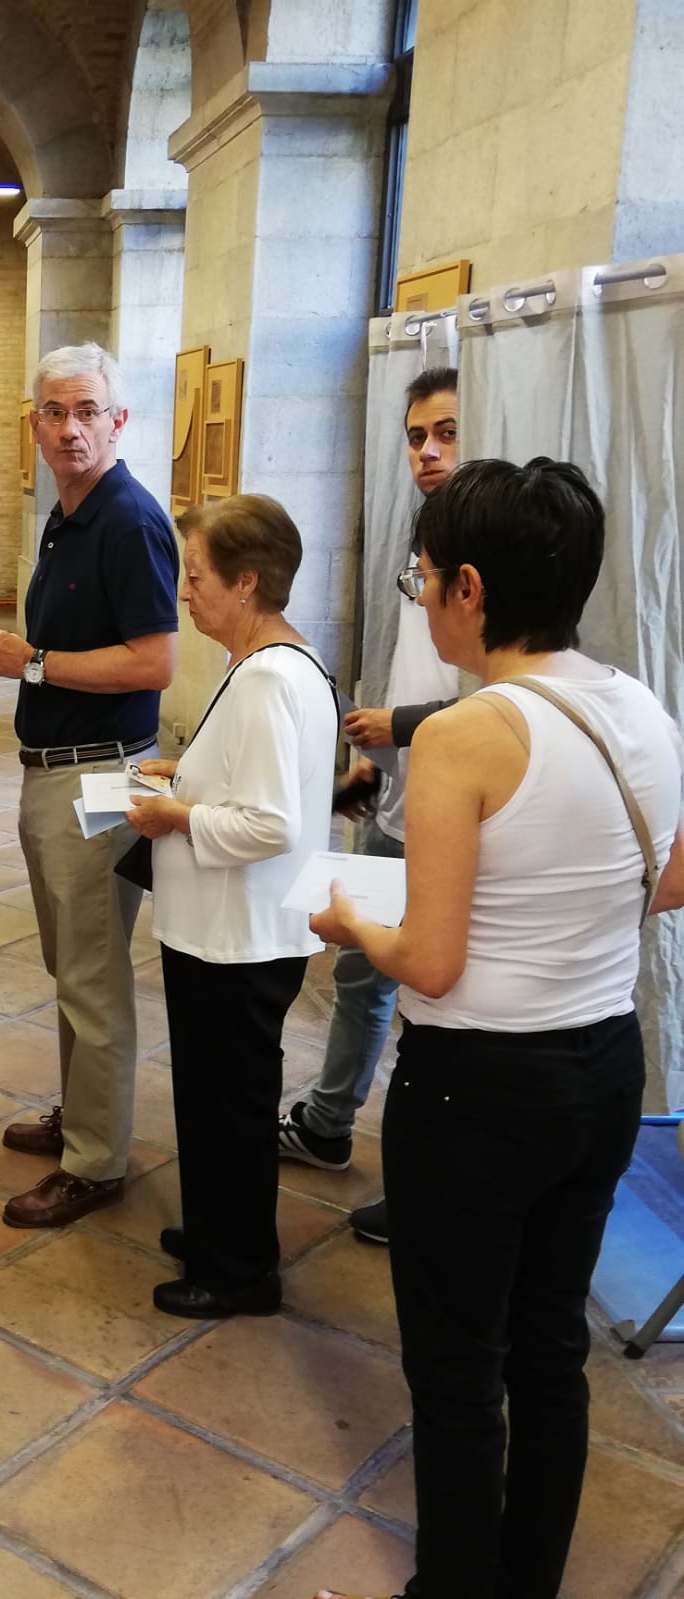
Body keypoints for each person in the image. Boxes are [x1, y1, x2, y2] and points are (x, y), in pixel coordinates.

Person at [310, 460, 684, 1599]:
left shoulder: (471, 735)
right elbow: (667, 888)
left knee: (459, 1369)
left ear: (469, 587)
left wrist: (351, 923)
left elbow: (431, 958)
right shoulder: (642, 706)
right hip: (602, 1068)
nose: (423, 600)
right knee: (551, 1352)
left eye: (424, 578)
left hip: (475, 1092)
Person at [124, 496, 337, 1317]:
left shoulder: (271, 680)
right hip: (230, 927)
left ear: (247, 583)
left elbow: (271, 822)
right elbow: (253, 784)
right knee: (214, 1098)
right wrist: (180, 774)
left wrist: (174, 814)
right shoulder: (270, 664)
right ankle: (218, 1229)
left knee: (231, 1105)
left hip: (238, 934)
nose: (184, 591)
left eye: (197, 575)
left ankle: (240, 1267)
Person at [0, 342, 179, 1229]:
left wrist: (37, 664)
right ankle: (82, 1118)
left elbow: (154, 660)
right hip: (55, 771)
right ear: (33, 424)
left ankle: (96, 1161)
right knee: (72, 967)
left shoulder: (127, 518)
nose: (69, 428)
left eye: (86, 411)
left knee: (93, 977)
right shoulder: (68, 510)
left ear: (117, 420)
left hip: (99, 775)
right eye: (54, 412)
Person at [277, 369, 460, 1249]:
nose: (426, 451)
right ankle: (328, 1119)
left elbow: (498, 700)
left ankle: (425, 1183)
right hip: (399, 794)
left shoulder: (493, 557)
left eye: (447, 433)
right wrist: (373, 761)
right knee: (360, 971)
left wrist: (403, 723)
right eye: (416, 434)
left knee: (431, 999)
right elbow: (416, 669)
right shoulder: (419, 531)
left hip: (453, 813)